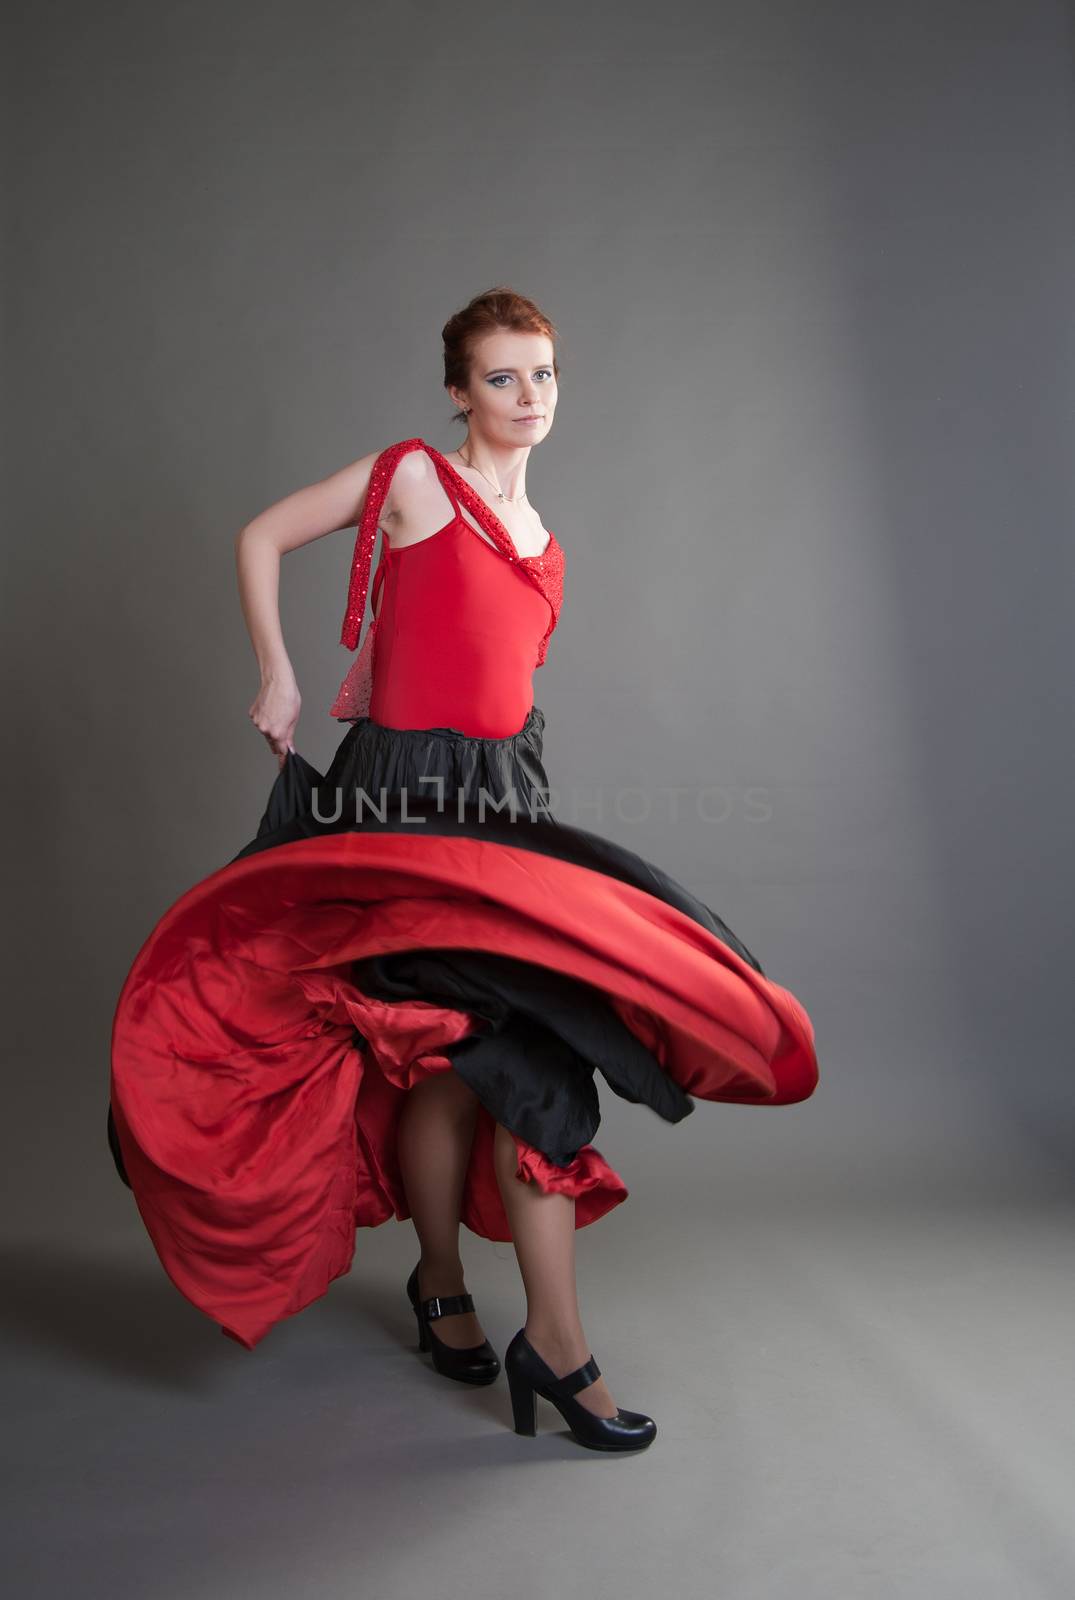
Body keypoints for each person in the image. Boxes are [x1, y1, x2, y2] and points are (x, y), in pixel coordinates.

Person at [109, 287, 819, 1454]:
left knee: (477, 1064)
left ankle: (471, 1302)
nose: (527, 397)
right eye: (502, 377)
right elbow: (260, 534)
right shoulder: (411, 483)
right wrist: (280, 674)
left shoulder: (547, 542)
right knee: (474, 1057)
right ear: (457, 391)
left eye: (542, 376)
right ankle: (512, 1322)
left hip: (503, 820)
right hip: (399, 815)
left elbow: (503, 692)